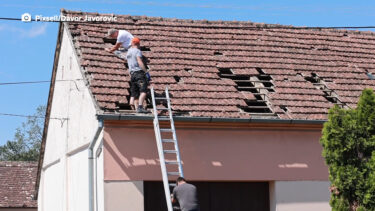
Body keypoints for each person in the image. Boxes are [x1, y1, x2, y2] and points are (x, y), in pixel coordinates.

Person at [126, 37, 149, 113]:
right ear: (138, 44)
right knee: (143, 91)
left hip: (132, 74)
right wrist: (146, 71)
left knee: (134, 91)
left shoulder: (128, 52)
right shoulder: (137, 51)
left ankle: (132, 103)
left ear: (132, 43)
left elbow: (128, 64)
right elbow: (139, 61)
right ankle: (140, 107)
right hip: (139, 73)